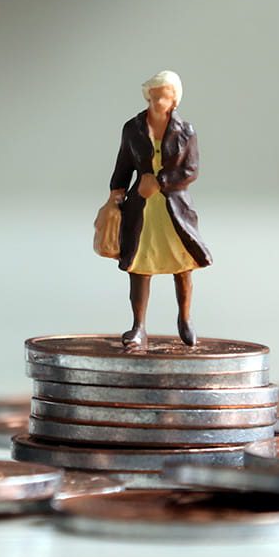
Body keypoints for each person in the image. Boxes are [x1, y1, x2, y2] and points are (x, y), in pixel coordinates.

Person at [107, 70, 212, 349]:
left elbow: (190, 171)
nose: (156, 102)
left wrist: (160, 181)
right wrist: (116, 191)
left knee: (183, 263)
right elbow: (123, 163)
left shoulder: (186, 131)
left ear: (174, 100)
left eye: (163, 97)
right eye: (153, 97)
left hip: (174, 208)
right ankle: (138, 326)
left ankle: (185, 320)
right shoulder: (133, 129)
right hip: (142, 208)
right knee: (139, 266)